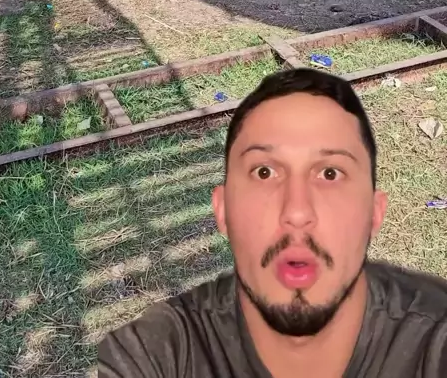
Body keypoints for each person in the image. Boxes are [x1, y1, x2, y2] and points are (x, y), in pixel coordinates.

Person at [98, 67, 447, 378]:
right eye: (264, 172)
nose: (296, 212)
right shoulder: (156, 352)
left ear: (374, 212)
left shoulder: (434, 340)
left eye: (330, 173)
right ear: (223, 210)